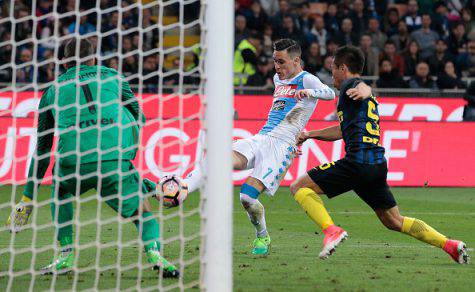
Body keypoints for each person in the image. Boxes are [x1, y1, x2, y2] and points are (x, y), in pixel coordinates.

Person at [6, 39, 179, 277]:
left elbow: (43, 150)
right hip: (111, 159)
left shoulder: (51, 91)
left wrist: (27, 198)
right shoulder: (113, 77)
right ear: (94, 59)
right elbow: (138, 116)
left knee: (60, 190)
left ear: (64, 63)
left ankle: (65, 254)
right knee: (142, 212)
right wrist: (124, 149)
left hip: (71, 162)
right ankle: (155, 254)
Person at [182, 39, 371, 256]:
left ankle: (262, 236)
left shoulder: (307, 79)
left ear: (296, 60)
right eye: (274, 61)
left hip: (281, 148)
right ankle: (183, 187)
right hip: (262, 138)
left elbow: (329, 93)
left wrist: (310, 93)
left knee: (247, 198)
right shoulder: (277, 79)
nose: (277, 67)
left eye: (281, 62)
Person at [290, 45, 469, 264]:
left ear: (343, 68)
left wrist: (365, 89)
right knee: (393, 220)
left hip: (357, 162)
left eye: (333, 69)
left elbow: (362, 86)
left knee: (299, 186)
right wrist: (311, 134)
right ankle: (450, 245)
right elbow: (341, 130)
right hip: (375, 164)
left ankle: (331, 231)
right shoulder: (356, 97)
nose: (331, 75)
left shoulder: (351, 85)